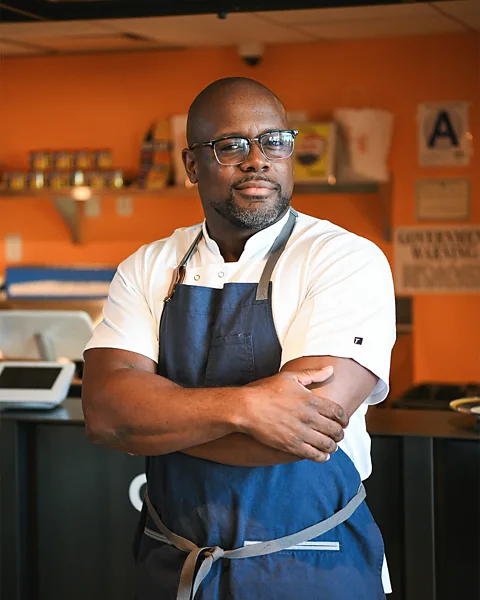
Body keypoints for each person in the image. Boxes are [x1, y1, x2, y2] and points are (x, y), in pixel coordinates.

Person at [82, 76, 396, 600]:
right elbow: (107, 415)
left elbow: (307, 430)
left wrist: (158, 417)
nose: (258, 159)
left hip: (311, 567)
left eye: (274, 141)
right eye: (231, 145)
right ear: (191, 166)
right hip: (175, 566)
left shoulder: (344, 259)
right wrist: (249, 407)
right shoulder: (149, 266)